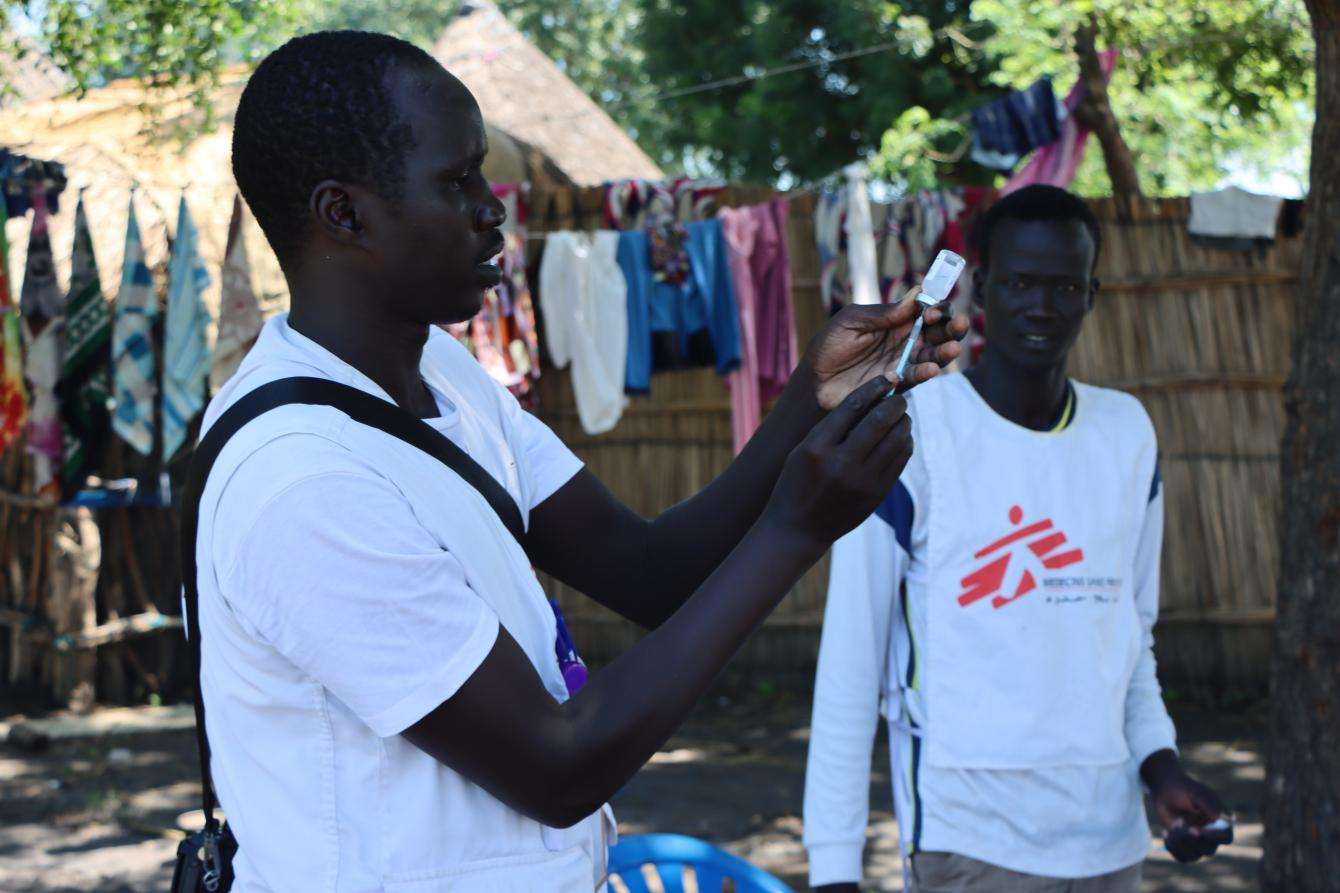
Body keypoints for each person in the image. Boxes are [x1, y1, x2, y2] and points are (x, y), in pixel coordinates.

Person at [199, 30, 967, 891]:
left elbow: (651, 572)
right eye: (457, 182)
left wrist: (805, 402)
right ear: (344, 214)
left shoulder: (444, 374)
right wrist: (796, 528)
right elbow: (555, 767)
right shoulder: (301, 480)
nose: (493, 207)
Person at [802, 185, 1229, 893]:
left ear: (1091, 295)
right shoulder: (912, 433)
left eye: (1064, 285)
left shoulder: (1127, 435)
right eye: (1022, 283)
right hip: (969, 843)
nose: (1042, 305)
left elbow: (1129, 641)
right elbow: (850, 668)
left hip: (1110, 847)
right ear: (983, 288)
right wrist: (833, 869)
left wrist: (1162, 769)